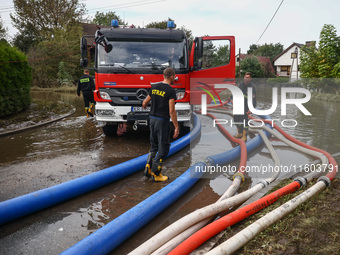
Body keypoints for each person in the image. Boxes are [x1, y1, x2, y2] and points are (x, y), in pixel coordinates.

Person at [142, 67, 179, 182]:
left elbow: (144, 103)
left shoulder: (154, 87)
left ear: (163, 75)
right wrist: (176, 126)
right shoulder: (170, 91)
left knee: (154, 146)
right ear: (172, 77)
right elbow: (171, 111)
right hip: (162, 121)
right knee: (163, 149)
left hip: (152, 120)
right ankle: (156, 174)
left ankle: (148, 168)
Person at [233, 72, 256, 141]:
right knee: (236, 119)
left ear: (250, 79)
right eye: (245, 77)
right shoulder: (241, 85)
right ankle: (239, 133)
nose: (246, 79)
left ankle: (244, 136)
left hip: (246, 106)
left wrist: (252, 109)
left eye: (248, 77)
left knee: (244, 121)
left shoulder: (252, 87)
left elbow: (254, 99)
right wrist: (231, 98)